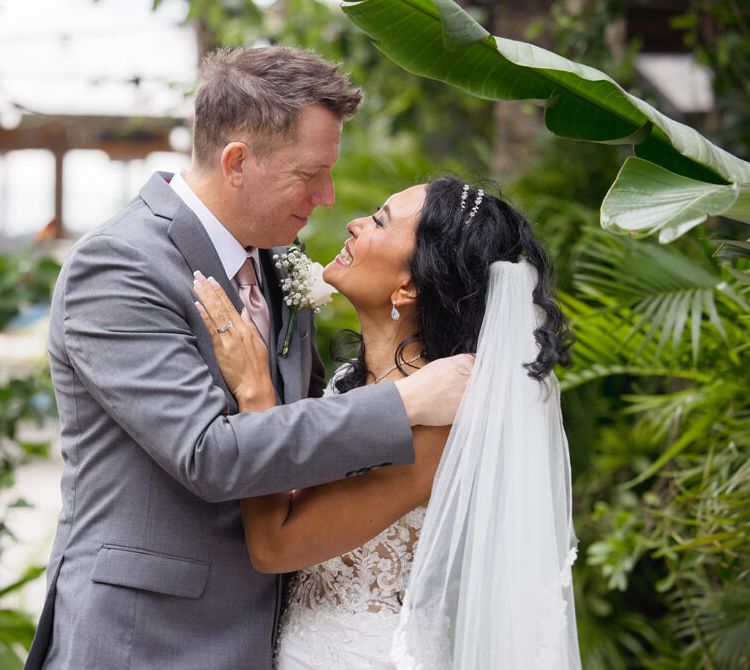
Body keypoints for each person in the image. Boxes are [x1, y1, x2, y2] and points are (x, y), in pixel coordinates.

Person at [24, 47, 474, 669]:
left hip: (272, 639)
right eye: (309, 174)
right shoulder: (120, 265)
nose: (327, 197)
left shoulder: (277, 262)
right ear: (238, 162)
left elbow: (299, 447)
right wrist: (406, 402)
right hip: (147, 641)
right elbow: (209, 454)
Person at [193, 176, 581, 668]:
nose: (354, 223)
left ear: (411, 284)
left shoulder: (437, 424)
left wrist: (255, 393)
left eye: (379, 221)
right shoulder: (354, 382)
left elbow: (276, 545)